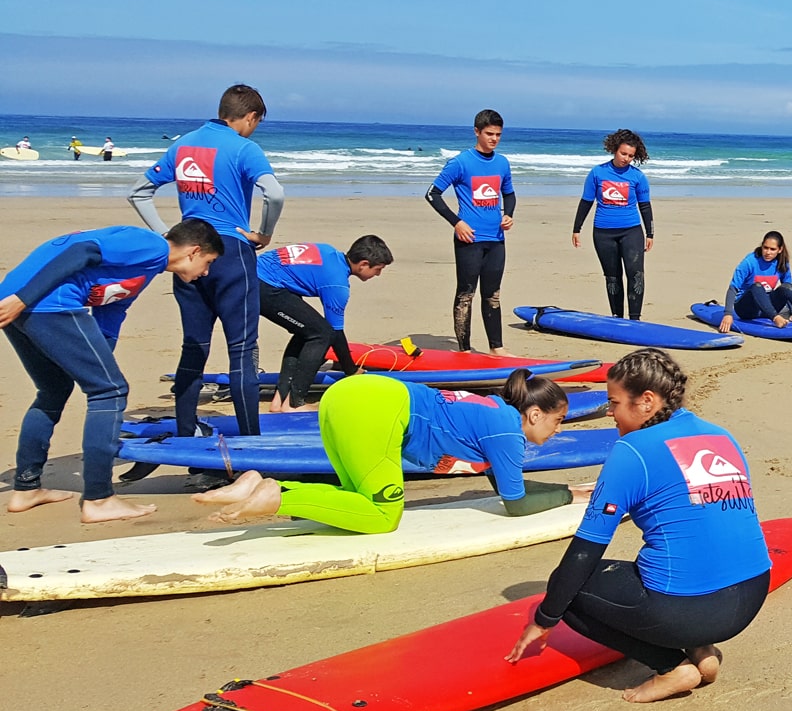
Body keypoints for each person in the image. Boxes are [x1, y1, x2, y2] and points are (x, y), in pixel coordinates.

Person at [507, 348, 774, 704]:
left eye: (614, 403)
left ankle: (671, 666)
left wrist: (544, 618)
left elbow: (586, 549)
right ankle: (702, 650)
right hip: (752, 596)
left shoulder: (632, 449)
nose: (610, 413)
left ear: (646, 401)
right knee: (685, 552)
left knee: (565, 588)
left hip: (690, 611)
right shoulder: (720, 435)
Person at [1, 220, 222, 523]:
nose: (206, 272)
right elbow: (81, 251)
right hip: (39, 302)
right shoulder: (151, 246)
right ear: (194, 252)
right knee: (110, 392)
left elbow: (111, 313)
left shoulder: (143, 269)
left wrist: (98, 362)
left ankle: (26, 488)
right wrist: (23, 298)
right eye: (208, 263)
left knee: (54, 390)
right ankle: (99, 499)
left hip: (21, 303)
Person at [192, 369, 588, 530]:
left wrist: (567, 492)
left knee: (358, 499)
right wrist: (567, 495)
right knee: (383, 516)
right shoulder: (507, 433)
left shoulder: (495, 414)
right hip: (379, 408)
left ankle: (257, 485)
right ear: (534, 413)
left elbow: (505, 488)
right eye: (557, 421)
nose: (556, 431)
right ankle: (275, 497)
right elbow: (515, 503)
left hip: (350, 395)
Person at [130, 84, 284, 483]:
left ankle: (185, 436)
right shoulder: (243, 148)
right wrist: (264, 233)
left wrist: (169, 237)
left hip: (188, 254)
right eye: (256, 124)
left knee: (193, 348)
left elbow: (139, 192)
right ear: (250, 117)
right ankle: (251, 449)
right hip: (232, 253)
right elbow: (274, 192)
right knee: (242, 351)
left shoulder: (183, 146)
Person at [257, 235, 394, 413]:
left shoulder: (328, 251)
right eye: (378, 269)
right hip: (262, 285)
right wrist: (350, 370)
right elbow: (335, 334)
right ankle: (294, 403)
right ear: (363, 264)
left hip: (255, 273)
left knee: (308, 331)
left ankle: (280, 400)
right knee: (321, 334)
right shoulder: (337, 285)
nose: (378, 274)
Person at [428, 109, 516, 354]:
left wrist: (508, 214)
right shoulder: (460, 162)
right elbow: (432, 194)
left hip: (496, 240)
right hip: (470, 239)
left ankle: (496, 348)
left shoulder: (502, 162)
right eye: (489, 133)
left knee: (493, 295)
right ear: (477, 132)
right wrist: (456, 222)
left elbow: (508, 193)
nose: (494, 139)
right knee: (466, 294)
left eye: (498, 134)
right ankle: (464, 349)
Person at [574, 129, 655, 319]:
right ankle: (617, 317)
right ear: (614, 149)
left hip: (631, 231)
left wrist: (650, 233)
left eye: (631, 156)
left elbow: (645, 206)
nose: (626, 158)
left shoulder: (638, 177)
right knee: (612, 276)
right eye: (623, 153)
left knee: (635, 274)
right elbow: (586, 201)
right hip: (603, 233)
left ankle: (635, 318)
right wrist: (576, 228)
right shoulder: (597, 173)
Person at [718, 232, 792, 332]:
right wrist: (728, 314)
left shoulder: (782, 263)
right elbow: (733, 288)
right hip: (746, 308)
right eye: (765, 248)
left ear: (780, 249)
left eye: (772, 249)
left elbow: (789, 291)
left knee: (787, 286)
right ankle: (776, 318)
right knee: (757, 286)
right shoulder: (750, 261)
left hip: (767, 307)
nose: (768, 252)